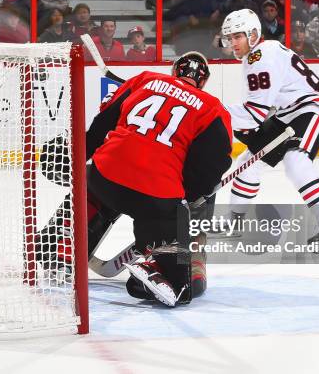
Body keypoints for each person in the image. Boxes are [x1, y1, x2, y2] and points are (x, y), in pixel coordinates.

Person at [85, 52, 233, 306]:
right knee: (183, 288)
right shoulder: (212, 108)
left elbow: (101, 124)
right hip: (155, 198)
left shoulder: (144, 80)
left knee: (91, 184)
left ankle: (62, 243)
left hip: (105, 179)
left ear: (174, 71)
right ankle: (163, 270)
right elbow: (213, 167)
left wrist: (77, 158)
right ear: (203, 81)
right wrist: (185, 199)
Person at [220, 8, 319, 254]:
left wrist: (217, 113)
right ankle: (234, 221)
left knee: (295, 159)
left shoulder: (261, 59)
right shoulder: (255, 56)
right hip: (289, 111)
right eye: (230, 38)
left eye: (238, 36)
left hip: (315, 107)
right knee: (247, 161)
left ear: (253, 34)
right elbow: (257, 112)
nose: (232, 43)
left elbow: (254, 114)